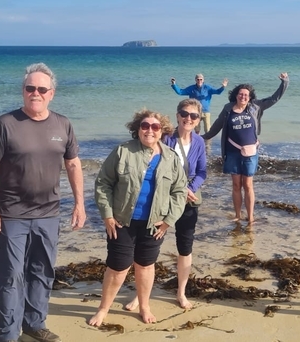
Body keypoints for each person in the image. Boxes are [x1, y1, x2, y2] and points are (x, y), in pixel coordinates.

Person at [0, 63, 86, 342]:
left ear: (51, 93)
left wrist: (79, 204)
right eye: (30, 88)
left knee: (42, 272)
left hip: (49, 214)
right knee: (9, 276)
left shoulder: (63, 124)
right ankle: (7, 334)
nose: (35, 93)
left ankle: (34, 323)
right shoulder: (5, 124)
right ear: (23, 91)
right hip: (11, 215)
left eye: (41, 89)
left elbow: (73, 165)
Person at [88, 109, 188, 327]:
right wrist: (107, 215)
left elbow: (180, 192)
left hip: (154, 224)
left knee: (145, 265)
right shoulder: (122, 151)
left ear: (162, 131)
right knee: (118, 267)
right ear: (137, 129)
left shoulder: (171, 157)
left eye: (155, 127)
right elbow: (103, 183)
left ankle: (144, 306)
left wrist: (169, 220)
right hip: (122, 221)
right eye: (145, 126)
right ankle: (103, 309)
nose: (149, 130)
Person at [125, 99, 207, 311]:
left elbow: (202, 172)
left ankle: (181, 292)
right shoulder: (166, 138)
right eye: (184, 114)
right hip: (161, 199)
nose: (189, 118)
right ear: (178, 115)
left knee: (185, 246)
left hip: (188, 199)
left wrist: (190, 189)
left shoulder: (199, 142)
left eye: (194, 116)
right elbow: (153, 163)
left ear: (199, 119)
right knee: (147, 248)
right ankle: (140, 295)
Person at [203, 73, 288, 224]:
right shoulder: (228, 109)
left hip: (250, 153)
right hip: (232, 152)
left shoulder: (256, 107)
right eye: (240, 94)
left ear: (250, 97)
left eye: (246, 95)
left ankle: (250, 217)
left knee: (248, 185)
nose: (243, 97)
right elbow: (217, 125)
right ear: (235, 95)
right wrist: (203, 137)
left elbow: (274, 98)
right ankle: (237, 215)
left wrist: (284, 82)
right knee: (236, 185)